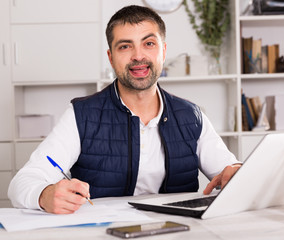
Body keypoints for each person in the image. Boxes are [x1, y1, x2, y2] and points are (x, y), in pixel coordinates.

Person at [8, 5, 241, 214]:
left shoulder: (191, 116)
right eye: (125, 46)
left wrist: (237, 173)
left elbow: (231, 172)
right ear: (111, 57)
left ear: (163, 50)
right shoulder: (82, 115)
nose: (138, 56)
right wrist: (44, 195)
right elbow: (23, 182)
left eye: (149, 43)